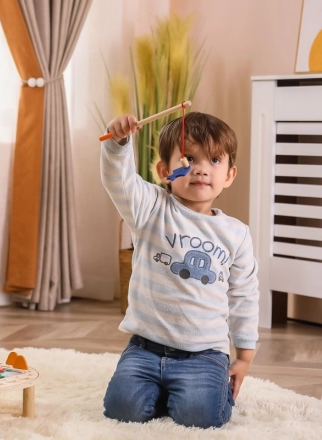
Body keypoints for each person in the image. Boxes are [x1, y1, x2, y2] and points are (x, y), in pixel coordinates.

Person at [100, 112, 259, 428]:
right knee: (121, 409)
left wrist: (244, 355)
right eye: (189, 158)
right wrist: (117, 143)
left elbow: (244, 295)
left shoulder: (236, 234)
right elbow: (119, 181)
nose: (201, 168)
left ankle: (191, 393)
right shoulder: (150, 208)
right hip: (144, 349)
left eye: (214, 160)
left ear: (229, 174)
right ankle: (161, 392)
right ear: (164, 171)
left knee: (198, 415)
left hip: (204, 355)